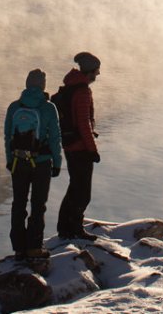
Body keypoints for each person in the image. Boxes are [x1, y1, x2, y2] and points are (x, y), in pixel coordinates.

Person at [4, 68, 62, 261]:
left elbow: (7, 136)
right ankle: (34, 248)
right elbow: (55, 138)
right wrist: (57, 163)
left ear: (27, 84)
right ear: (43, 85)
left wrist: (10, 160)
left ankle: (19, 248)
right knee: (38, 205)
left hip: (18, 162)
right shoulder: (48, 108)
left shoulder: (14, 107)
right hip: (42, 163)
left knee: (18, 204)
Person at [55, 51, 101, 241]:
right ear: (89, 71)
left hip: (69, 144)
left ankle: (64, 228)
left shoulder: (70, 87)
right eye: (97, 71)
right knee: (83, 193)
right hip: (80, 147)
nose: (98, 75)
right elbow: (84, 123)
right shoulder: (82, 91)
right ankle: (75, 229)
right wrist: (93, 150)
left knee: (74, 188)